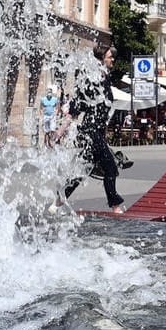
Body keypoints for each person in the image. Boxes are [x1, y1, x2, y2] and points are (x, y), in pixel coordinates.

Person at [64, 46, 124, 212]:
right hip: (91, 131)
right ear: (102, 58)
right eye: (110, 57)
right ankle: (116, 207)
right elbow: (77, 104)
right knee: (110, 168)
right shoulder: (95, 79)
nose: (113, 60)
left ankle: (59, 199)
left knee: (85, 167)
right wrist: (61, 130)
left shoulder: (103, 78)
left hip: (94, 132)